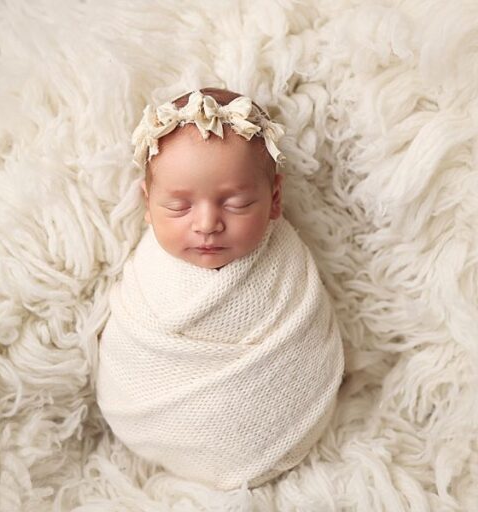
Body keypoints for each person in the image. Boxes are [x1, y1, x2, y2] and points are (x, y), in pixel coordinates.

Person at [96, 88, 344, 490]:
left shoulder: (287, 268)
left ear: (275, 199)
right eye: (179, 207)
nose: (207, 224)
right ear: (148, 203)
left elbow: (309, 342)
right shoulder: (147, 275)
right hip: (153, 430)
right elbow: (130, 354)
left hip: (280, 433)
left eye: (236, 204)